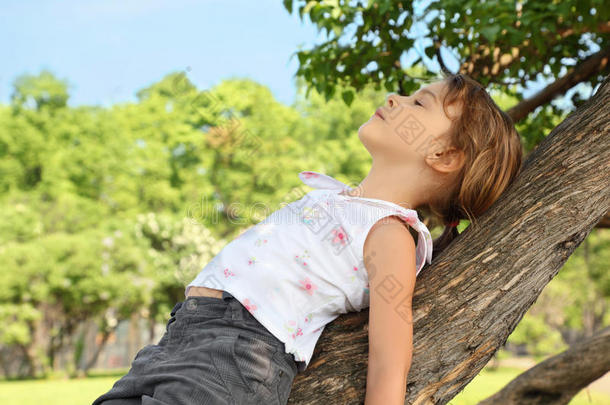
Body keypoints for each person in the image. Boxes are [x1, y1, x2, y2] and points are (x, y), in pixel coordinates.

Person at [92, 72, 523, 405]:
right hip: (184, 333)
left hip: (237, 355)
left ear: (444, 155)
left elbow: (391, 357)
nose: (394, 99)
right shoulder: (345, 199)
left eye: (418, 102)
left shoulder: (391, 233)